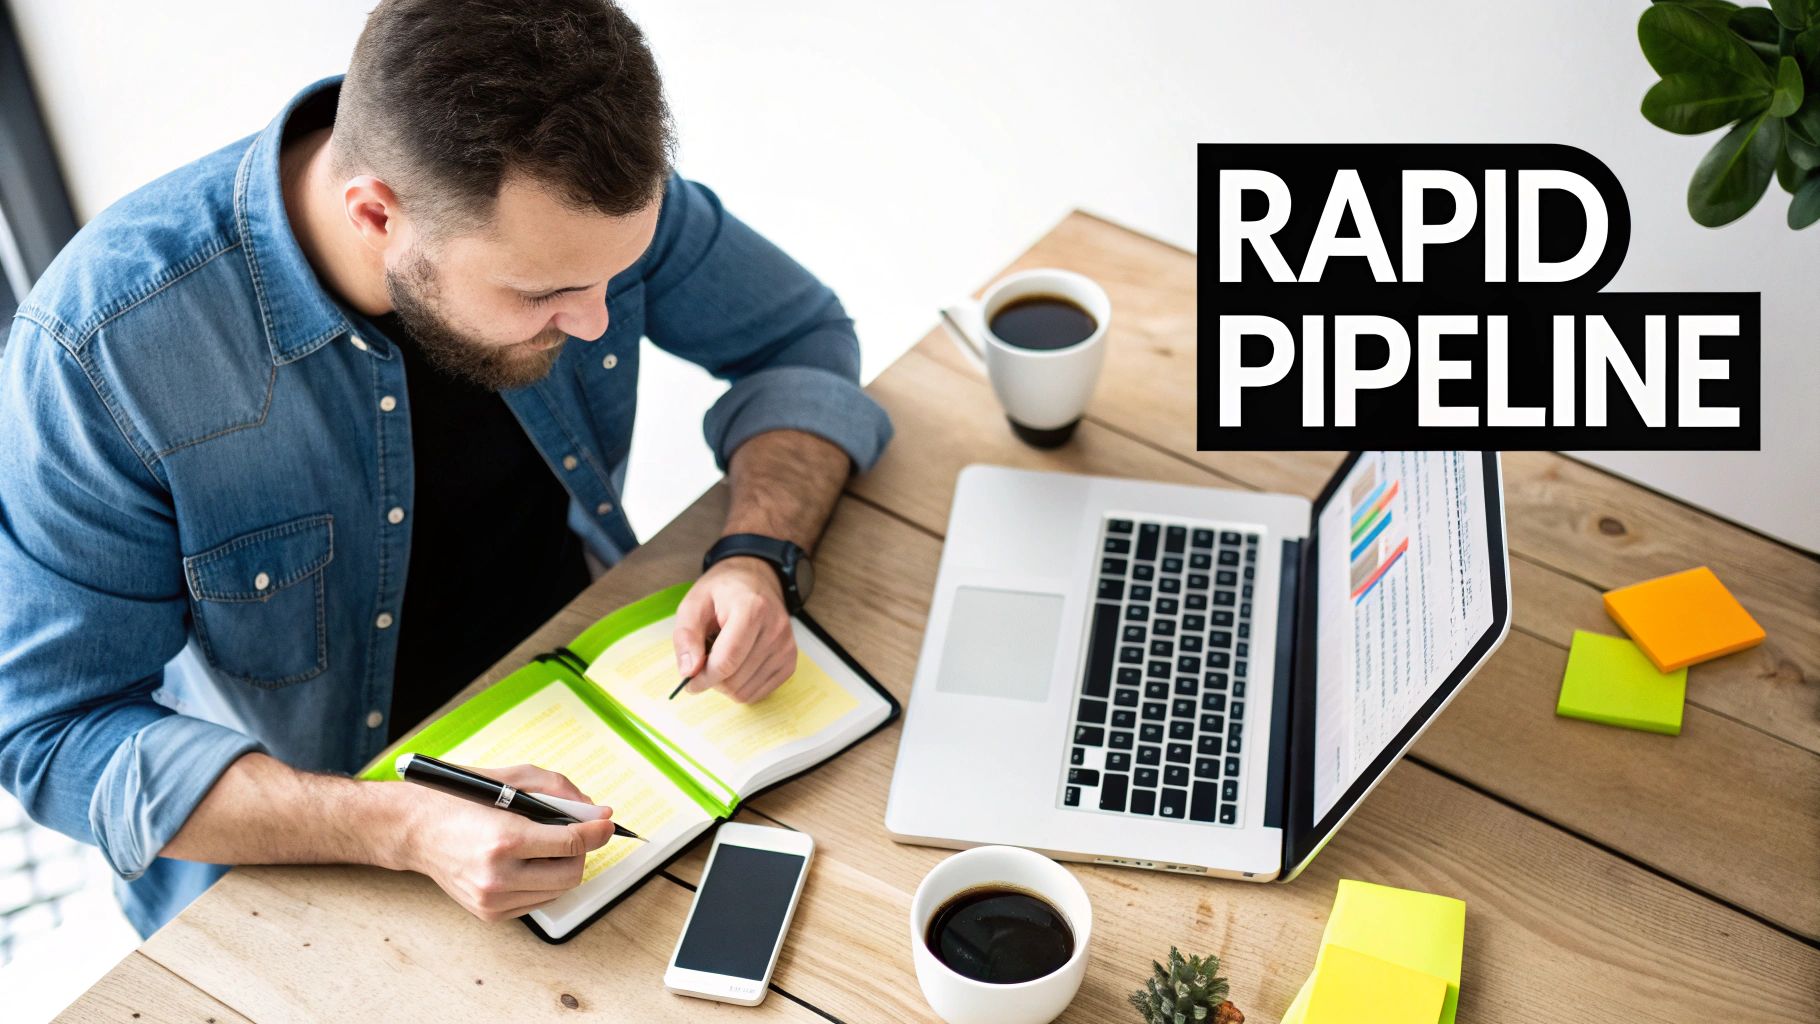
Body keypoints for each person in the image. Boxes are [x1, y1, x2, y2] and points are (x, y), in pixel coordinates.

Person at [0, 0, 891, 936]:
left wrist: (758, 552)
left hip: (589, 701)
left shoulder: (573, 216)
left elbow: (799, 339)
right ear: (376, 215)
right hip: (310, 845)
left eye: (613, 277)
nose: (598, 320)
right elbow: (54, 734)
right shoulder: (103, 352)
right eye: (546, 293)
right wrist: (403, 827)